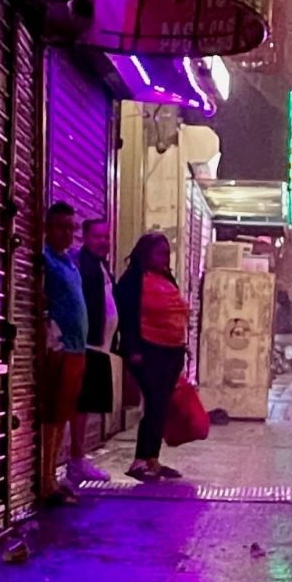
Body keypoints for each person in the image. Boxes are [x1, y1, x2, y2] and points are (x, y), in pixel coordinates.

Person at [119, 231, 191, 483]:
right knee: (154, 403)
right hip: (148, 352)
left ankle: (152, 458)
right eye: (159, 253)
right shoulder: (133, 280)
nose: (163, 258)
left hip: (172, 352)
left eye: (166, 254)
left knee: (160, 406)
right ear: (145, 253)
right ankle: (141, 460)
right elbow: (126, 316)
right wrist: (133, 350)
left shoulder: (166, 277)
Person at [35, 202, 87, 506]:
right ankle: (46, 481)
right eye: (60, 227)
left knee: (63, 415)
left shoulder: (68, 262)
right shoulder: (45, 262)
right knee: (52, 416)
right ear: (47, 227)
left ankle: (53, 475)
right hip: (60, 349)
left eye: (71, 228)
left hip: (76, 350)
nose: (67, 233)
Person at [70, 212, 117, 482]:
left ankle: (78, 457)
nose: (103, 241)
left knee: (86, 405)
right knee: (79, 404)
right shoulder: (83, 264)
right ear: (85, 237)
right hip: (87, 345)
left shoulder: (100, 265)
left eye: (106, 237)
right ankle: (76, 459)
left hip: (99, 346)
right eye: (97, 236)